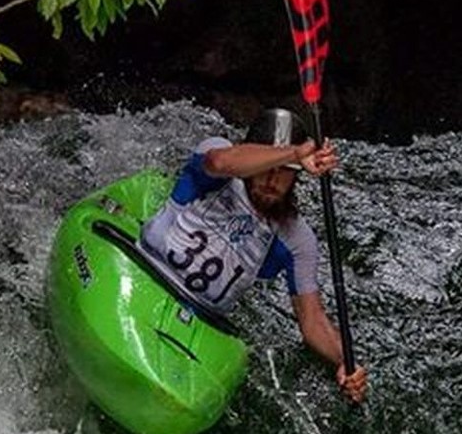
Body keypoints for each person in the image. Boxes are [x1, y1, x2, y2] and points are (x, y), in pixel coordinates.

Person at [141, 107, 368, 402]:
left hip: (199, 317)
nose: (273, 179)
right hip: (145, 267)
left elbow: (312, 321)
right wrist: (292, 155)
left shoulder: (296, 238)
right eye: (268, 166)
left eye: (287, 173)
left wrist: (346, 363)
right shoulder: (218, 158)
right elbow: (221, 162)